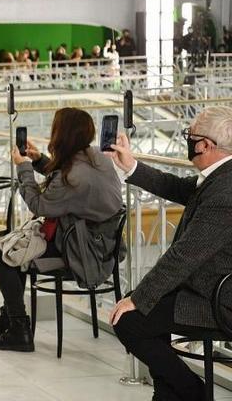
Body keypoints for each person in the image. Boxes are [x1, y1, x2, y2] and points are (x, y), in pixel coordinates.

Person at [107, 106, 232, 401]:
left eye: (191, 137)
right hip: (206, 287)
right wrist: (131, 165)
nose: (187, 140)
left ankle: (191, 392)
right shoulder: (220, 176)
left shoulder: (225, 191)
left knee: (130, 320)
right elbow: (176, 186)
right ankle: (168, 395)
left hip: (220, 299)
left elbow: (184, 256)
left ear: (206, 145)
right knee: (144, 308)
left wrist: (139, 298)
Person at [0, 107, 122, 352]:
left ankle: (19, 329)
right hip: (99, 244)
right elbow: (66, 183)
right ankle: (10, 318)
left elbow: (39, 205)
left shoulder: (73, 177)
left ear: (61, 134)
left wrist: (23, 168)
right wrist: (39, 161)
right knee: (17, 249)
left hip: (82, 253)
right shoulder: (97, 158)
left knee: (5, 254)